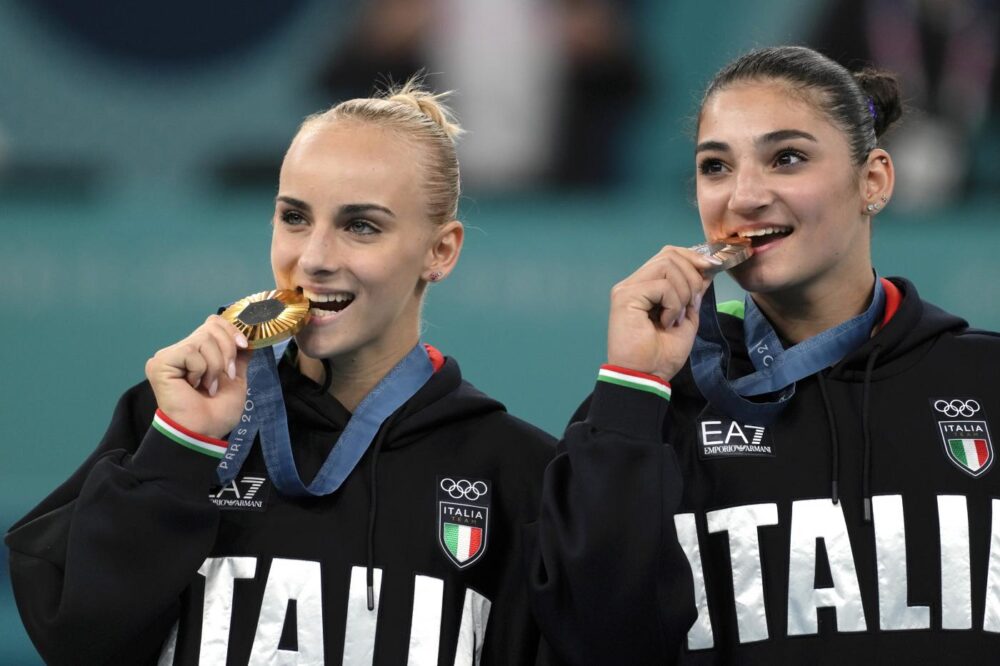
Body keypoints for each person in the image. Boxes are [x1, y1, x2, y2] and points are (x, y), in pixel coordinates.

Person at [6, 81, 555, 665]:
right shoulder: (173, 422)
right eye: (294, 217)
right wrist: (182, 451)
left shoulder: (517, 475)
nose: (314, 258)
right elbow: (78, 642)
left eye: (361, 225)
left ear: (440, 252)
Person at [528, 45, 1000, 664]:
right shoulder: (650, 406)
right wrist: (633, 389)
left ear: (874, 180)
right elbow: (592, 643)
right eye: (715, 167)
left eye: (787, 158)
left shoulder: (983, 381)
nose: (743, 197)